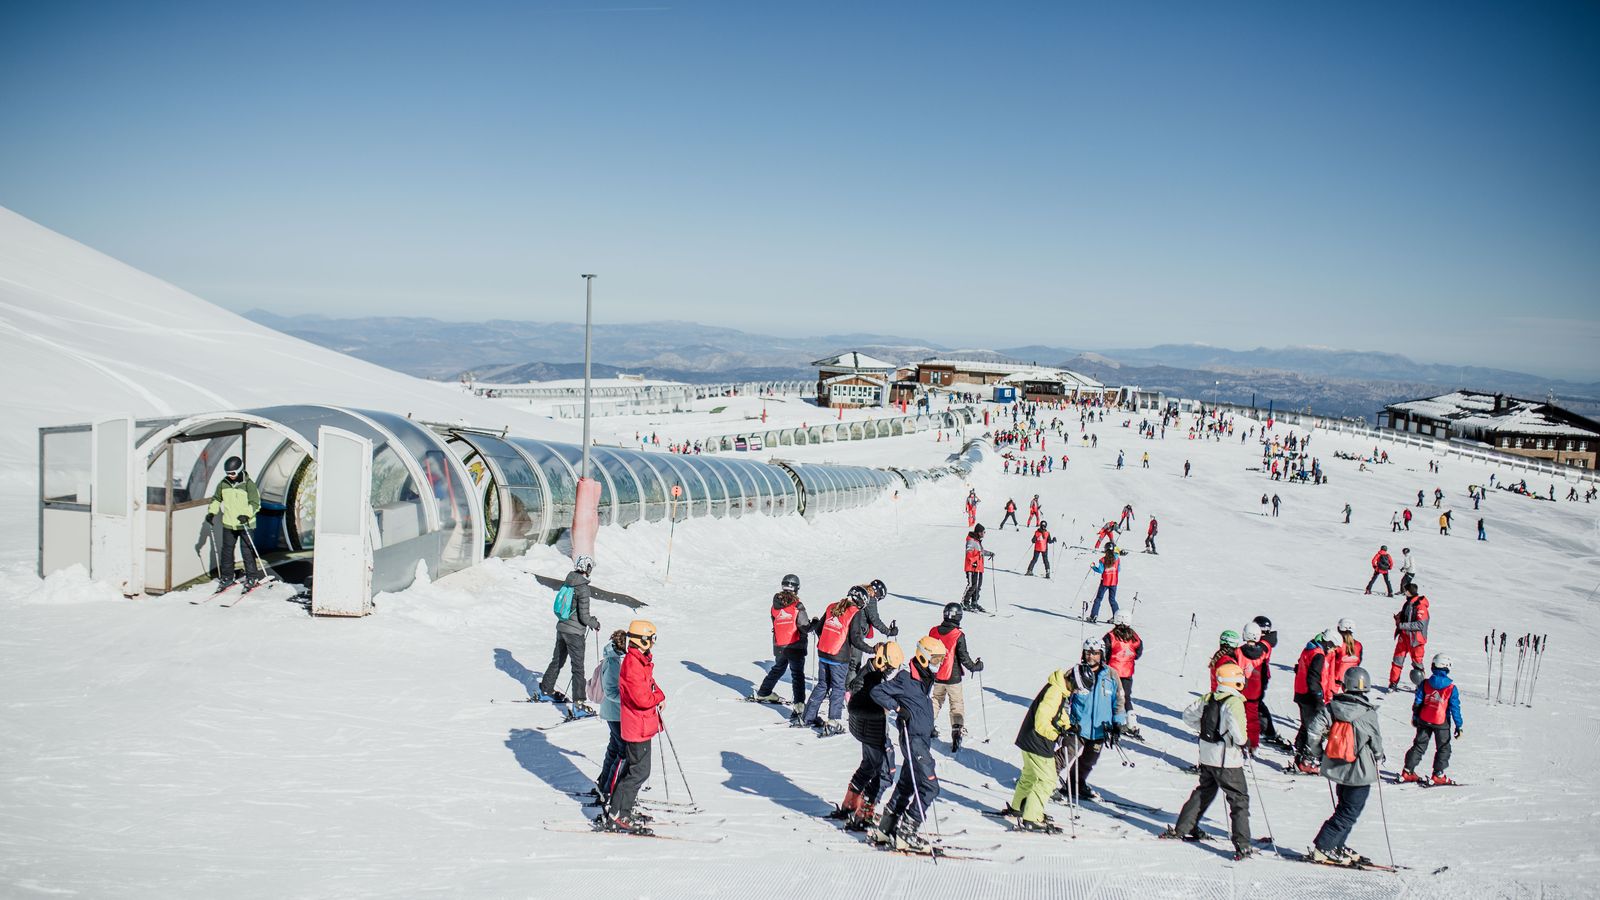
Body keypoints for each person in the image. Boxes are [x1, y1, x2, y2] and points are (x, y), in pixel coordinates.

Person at [1161, 662, 1253, 858]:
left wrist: (1203, 729)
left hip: (1207, 756)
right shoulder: (1234, 702)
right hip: (1227, 760)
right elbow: (1238, 734)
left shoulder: (1209, 697)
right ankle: (1242, 843)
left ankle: (1183, 828)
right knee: (1239, 799)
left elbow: (1188, 715)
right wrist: (1244, 742)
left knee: (1204, 791)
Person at [869, 636, 945, 853]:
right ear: (923, 657)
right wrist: (898, 709)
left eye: (940, 659)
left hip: (921, 739)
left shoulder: (924, 676)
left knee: (907, 784)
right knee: (930, 787)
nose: (938, 664)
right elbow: (877, 692)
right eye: (935, 659)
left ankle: (886, 828)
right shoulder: (906, 678)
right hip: (914, 740)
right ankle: (907, 832)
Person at [1305, 667, 1385, 865]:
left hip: (1336, 766)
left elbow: (1313, 731)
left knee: (1344, 808)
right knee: (1348, 812)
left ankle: (1336, 844)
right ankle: (1324, 847)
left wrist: (1318, 753)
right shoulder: (1368, 713)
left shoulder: (1331, 708)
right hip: (1360, 770)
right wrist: (1379, 756)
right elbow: (1375, 741)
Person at [598, 620, 665, 835]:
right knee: (638, 772)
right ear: (641, 640)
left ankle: (618, 811)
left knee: (634, 770)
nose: (652, 644)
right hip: (637, 725)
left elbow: (650, 684)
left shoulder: (639, 661)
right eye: (651, 639)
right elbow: (642, 698)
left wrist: (657, 694)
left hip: (641, 724)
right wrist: (658, 698)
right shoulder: (633, 664)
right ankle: (619, 814)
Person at [834, 641, 903, 831]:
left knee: (869, 766)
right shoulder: (868, 679)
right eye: (890, 667)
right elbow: (855, 707)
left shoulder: (873, 673)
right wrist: (883, 711)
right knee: (886, 774)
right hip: (873, 732)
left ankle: (850, 804)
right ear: (882, 661)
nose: (891, 671)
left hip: (868, 731)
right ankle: (864, 812)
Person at [1053, 638, 1126, 803]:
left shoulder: (1111, 675)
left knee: (1089, 760)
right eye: (1087, 653)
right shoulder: (1075, 673)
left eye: (1095, 653)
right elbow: (1063, 698)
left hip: (1100, 728)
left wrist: (1118, 723)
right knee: (1065, 755)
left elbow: (1119, 700)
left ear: (1102, 654)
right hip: (1077, 726)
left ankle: (1075, 784)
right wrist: (1065, 722)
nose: (1091, 656)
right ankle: (1045, 780)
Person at [1005, 667, 1071, 834]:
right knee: (1047, 780)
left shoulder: (1058, 688)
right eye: (1079, 688)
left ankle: (1018, 807)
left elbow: (1057, 712)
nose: (1077, 691)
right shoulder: (1055, 692)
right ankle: (1032, 818)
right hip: (1038, 742)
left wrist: (1068, 726)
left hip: (1028, 739)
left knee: (1030, 775)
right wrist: (1058, 737)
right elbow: (1041, 721)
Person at [803, 591, 876, 732]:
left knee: (822, 685)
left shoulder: (832, 606)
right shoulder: (854, 613)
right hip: (839, 657)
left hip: (823, 652)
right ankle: (833, 721)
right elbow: (856, 639)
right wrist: (871, 649)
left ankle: (808, 717)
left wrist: (828, 640)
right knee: (838, 687)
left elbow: (819, 628)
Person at [540, 555, 601, 713]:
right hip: (574, 633)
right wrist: (594, 623)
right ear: (587, 568)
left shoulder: (569, 581)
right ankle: (579, 705)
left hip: (562, 629)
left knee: (557, 661)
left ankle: (545, 691)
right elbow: (584, 617)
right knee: (578, 668)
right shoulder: (583, 588)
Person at [1400, 654, 1464, 786]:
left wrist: (1415, 716)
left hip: (1424, 719)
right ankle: (1438, 774)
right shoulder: (1451, 688)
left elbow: (1418, 701)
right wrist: (1459, 726)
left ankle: (1407, 771)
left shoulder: (1425, 683)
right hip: (1441, 722)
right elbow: (1455, 708)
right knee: (1443, 747)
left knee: (1419, 745)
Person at [928, 602, 984, 750]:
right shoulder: (957, 635)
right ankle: (957, 731)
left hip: (937, 673)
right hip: (953, 677)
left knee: (936, 700)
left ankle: (927, 725)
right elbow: (964, 657)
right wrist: (975, 667)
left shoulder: (934, 631)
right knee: (956, 704)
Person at [750, 574, 810, 711]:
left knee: (779, 668)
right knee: (797, 674)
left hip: (779, 644)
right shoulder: (797, 605)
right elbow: (804, 626)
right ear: (796, 588)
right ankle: (799, 704)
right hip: (795, 645)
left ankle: (764, 692)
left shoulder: (775, 605)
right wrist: (814, 624)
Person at [207, 456, 263, 588]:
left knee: (247, 551)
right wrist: (212, 512)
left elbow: (256, 504)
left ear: (239, 470)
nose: (230, 476)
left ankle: (252, 577)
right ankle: (227, 576)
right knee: (227, 551)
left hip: (245, 523)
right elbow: (216, 499)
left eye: (232, 473)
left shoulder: (248, 484)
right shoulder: (223, 483)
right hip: (229, 523)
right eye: (228, 473)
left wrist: (246, 515)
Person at [1292, 628, 1338, 774]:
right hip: (1310, 696)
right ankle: (1308, 761)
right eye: (1334, 647)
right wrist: (1319, 698)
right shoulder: (1318, 655)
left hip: (1301, 693)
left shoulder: (1310, 649)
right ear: (1329, 643)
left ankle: (1300, 754)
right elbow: (1313, 679)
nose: (1333, 651)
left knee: (1306, 725)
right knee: (1313, 728)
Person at [594, 629, 629, 804]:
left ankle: (603, 785)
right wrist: (629, 699)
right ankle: (609, 790)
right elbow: (610, 691)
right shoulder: (614, 662)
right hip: (615, 713)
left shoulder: (613, 658)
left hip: (612, 712)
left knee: (614, 749)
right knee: (623, 752)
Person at [1103, 611, 1143, 740]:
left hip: (1112, 672)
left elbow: (1104, 653)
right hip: (1127, 673)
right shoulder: (1134, 637)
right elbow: (1138, 653)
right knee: (1126, 697)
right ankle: (1132, 724)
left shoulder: (1110, 636)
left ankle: (1111, 722)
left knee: (1110, 697)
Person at [1238, 622, 1273, 753]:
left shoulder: (1239, 652)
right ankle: (1253, 744)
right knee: (1253, 718)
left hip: (1241, 689)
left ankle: (1239, 741)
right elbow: (1263, 672)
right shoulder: (1262, 653)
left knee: (1238, 715)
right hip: (1255, 690)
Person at [1388, 583, 1430, 689]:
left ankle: (1420, 686)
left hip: (1416, 640)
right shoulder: (1408, 603)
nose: (1404, 592)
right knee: (1397, 660)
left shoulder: (1420, 606)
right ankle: (1393, 683)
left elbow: (1420, 624)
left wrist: (1402, 625)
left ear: (1409, 591)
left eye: (1405, 590)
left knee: (1417, 664)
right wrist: (1399, 617)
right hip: (1404, 637)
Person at [961, 525, 993, 613]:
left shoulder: (977, 541)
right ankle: (964, 602)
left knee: (978, 586)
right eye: (983, 532)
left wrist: (989, 553)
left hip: (978, 567)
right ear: (979, 532)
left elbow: (980, 552)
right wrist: (976, 559)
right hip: (971, 567)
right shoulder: (971, 540)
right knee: (971, 585)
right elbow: (969, 553)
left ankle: (974, 602)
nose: (984, 534)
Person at [1088, 547, 1121, 623]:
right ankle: (1117, 617)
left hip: (1105, 582)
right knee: (1112, 600)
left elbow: (1100, 570)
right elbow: (1119, 570)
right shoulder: (1117, 559)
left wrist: (1093, 567)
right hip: (1114, 582)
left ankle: (1094, 616)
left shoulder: (1103, 560)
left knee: (1098, 599)